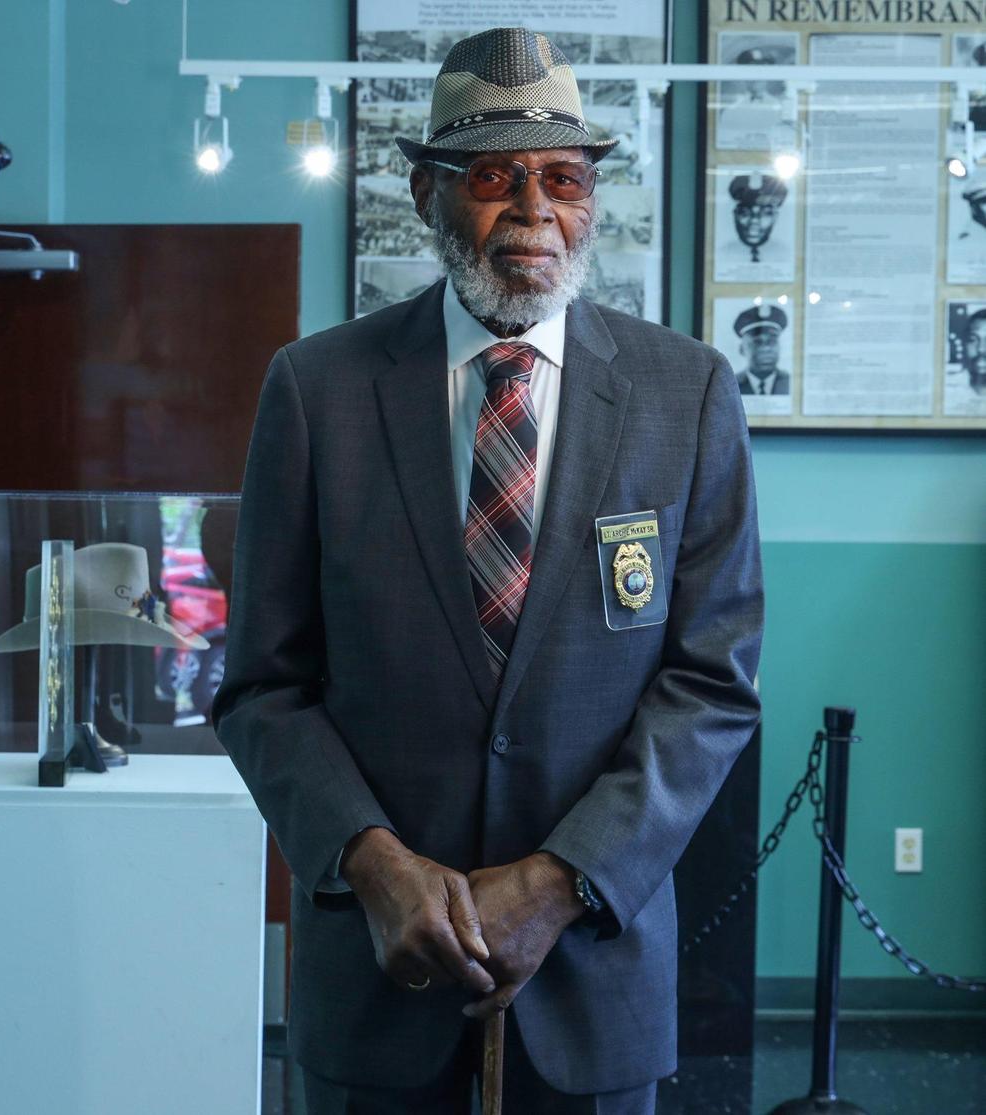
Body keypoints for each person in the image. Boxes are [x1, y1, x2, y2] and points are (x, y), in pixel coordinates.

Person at [214, 27, 763, 1115]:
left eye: (563, 178)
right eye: (492, 177)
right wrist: (374, 864)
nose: (533, 210)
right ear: (426, 194)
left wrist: (560, 881)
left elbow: (712, 684)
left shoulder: (685, 395)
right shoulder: (317, 391)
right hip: (377, 969)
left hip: (593, 971)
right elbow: (263, 686)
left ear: (592, 200)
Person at [733, 303, 791, 395]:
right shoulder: (731, 383)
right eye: (757, 342)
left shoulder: (790, 382)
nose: (766, 348)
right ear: (742, 349)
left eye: (772, 341)